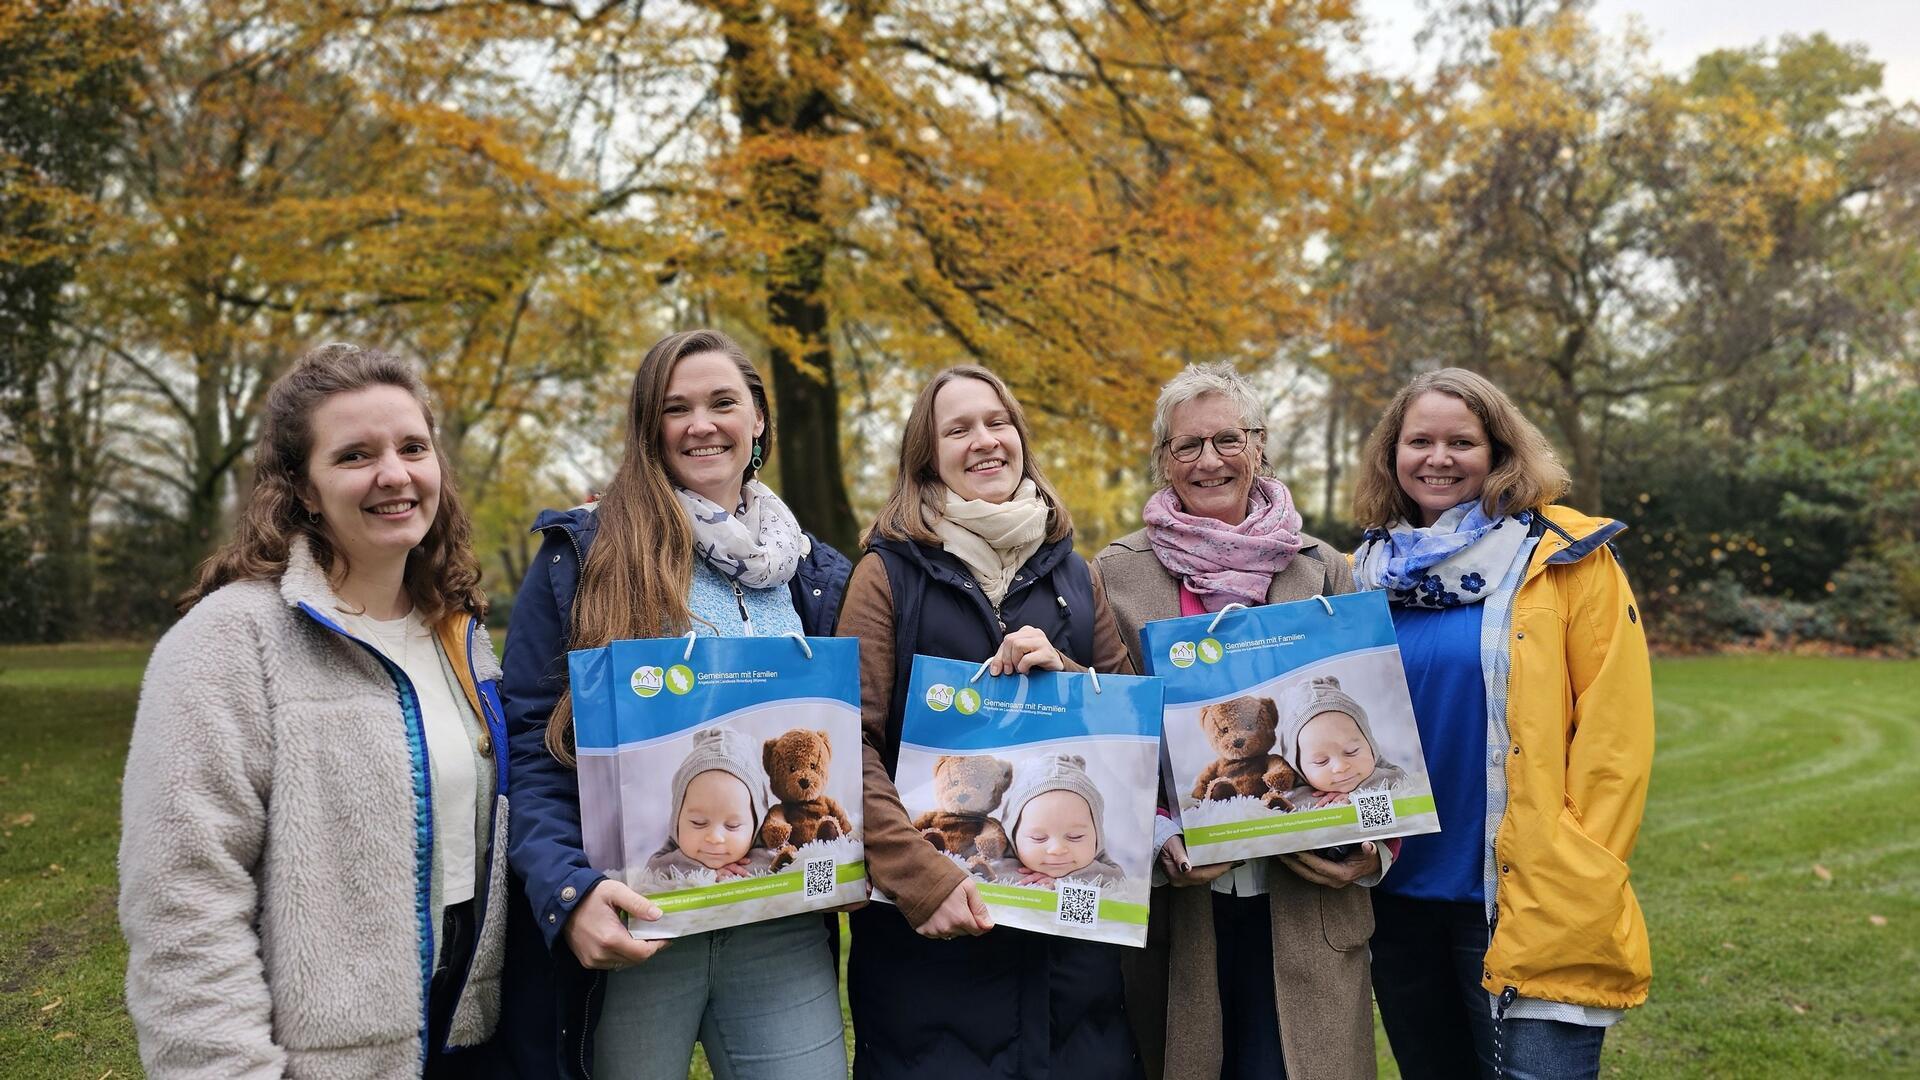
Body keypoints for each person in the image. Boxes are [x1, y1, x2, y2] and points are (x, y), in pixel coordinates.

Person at [119, 344, 509, 1078]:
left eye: (412, 448)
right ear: (302, 487)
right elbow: (182, 900)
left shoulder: (460, 634)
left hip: (472, 1040)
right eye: (356, 455)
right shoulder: (228, 641)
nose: (393, 474)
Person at [498, 329, 853, 1080]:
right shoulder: (585, 554)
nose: (701, 424)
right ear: (648, 426)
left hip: (778, 928)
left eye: (723, 402)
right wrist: (571, 890)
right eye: (675, 408)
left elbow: (860, 734)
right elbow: (530, 746)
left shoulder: (816, 572)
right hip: (636, 925)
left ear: (758, 418)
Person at [838, 363, 1142, 1079]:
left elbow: (1129, 722)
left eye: (997, 422)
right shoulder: (886, 576)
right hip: (934, 949)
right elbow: (847, 742)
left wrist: (1068, 676)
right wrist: (923, 879)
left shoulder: (1076, 575)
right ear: (927, 454)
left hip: (1071, 956)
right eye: (959, 428)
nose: (984, 440)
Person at [1351, 367, 1653, 1080]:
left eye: (1463, 440)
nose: (1439, 457)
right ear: (1393, 454)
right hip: (1398, 899)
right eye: (1419, 440)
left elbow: (1616, 735)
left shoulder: (1566, 559)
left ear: (1499, 452)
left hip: (1527, 895)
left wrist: (1584, 863)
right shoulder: (1363, 573)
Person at [1095, 361, 1383, 1080]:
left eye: (1228, 439)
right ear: (1164, 460)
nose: (1209, 460)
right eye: (1186, 445)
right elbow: (1107, 741)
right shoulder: (1114, 577)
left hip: (1307, 900)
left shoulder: (1324, 571)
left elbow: (1376, 719)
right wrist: (1160, 834)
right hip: (1186, 904)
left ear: (1260, 446)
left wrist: (1371, 845)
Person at [644, 727, 774, 879]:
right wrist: (705, 873)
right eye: (698, 822)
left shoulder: (768, 853)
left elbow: (779, 864)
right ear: (677, 819)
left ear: (756, 824)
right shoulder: (668, 857)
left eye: (732, 825)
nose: (714, 837)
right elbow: (654, 869)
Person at [1275, 675, 1408, 808]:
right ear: (1297, 766)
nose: (1341, 767)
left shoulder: (1386, 775)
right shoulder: (1291, 795)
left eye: (1352, 751)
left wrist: (1358, 797)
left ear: (1370, 744)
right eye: (1321, 761)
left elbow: (1401, 783)